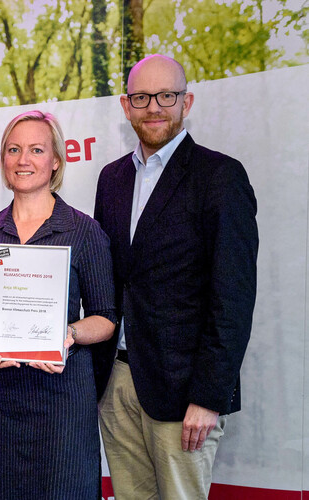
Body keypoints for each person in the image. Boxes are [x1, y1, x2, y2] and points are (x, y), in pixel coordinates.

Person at [94, 54, 259, 499]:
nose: (154, 107)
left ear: (186, 101)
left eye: (165, 95)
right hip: (117, 383)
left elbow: (234, 297)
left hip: (185, 392)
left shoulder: (220, 177)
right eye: (142, 97)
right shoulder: (111, 179)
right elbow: (106, 280)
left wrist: (209, 396)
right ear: (126, 107)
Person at [0, 110, 116, 499]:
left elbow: (107, 319)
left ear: (56, 161)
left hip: (63, 403)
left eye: (36, 150)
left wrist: (69, 333)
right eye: (13, 150)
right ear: (3, 160)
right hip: (0, 401)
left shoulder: (83, 230)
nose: (23, 160)